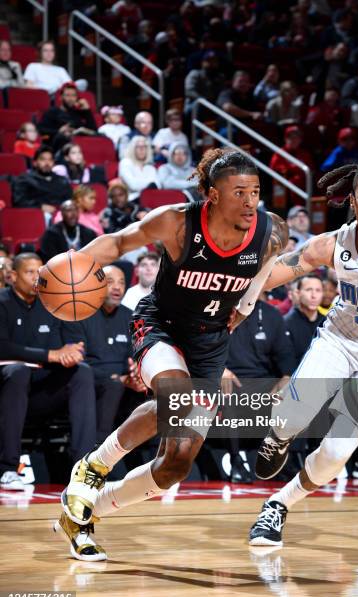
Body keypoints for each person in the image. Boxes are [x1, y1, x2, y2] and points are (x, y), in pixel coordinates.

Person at [53, 148, 288, 561]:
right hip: (160, 325)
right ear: (213, 195)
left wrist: (246, 305)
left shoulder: (271, 231)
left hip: (210, 344)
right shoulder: (177, 221)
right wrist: (72, 264)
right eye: (239, 192)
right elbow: (119, 241)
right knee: (176, 399)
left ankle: (85, 515)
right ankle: (93, 465)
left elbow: (269, 267)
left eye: (255, 191)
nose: (250, 201)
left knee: (175, 465)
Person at [249, 162, 358, 546]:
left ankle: (278, 504)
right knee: (292, 415)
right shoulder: (333, 243)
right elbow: (274, 275)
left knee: (337, 452)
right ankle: (278, 436)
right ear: (352, 201)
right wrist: (239, 291)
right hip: (340, 341)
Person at [0, 253, 96, 490]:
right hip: (7, 391)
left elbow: (71, 344)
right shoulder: (2, 302)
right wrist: (49, 355)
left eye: (40, 272)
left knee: (82, 373)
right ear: (12, 276)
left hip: (39, 394)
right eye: (29, 272)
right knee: (18, 371)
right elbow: (3, 347)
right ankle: (8, 469)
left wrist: (73, 354)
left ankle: (83, 469)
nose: (36, 278)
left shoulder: (53, 303)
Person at [63, 265, 146, 443]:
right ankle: (98, 451)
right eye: (110, 282)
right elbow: (78, 363)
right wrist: (119, 378)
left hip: (126, 383)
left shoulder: (132, 317)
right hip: (89, 383)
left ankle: (158, 457)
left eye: (122, 283)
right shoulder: (78, 314)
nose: (117, 287)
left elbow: (136, 355)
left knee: (160, 385)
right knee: (113, 385)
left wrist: (137, 376)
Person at [222, 292, 296, 483]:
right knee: (228, 395)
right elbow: (202, 348)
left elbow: (285, 354)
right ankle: (236, 462)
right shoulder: (218, 309)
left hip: (263, 381)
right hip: (228, 377)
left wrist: (286, 378)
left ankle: (278, 461)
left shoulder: (271, 314)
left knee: (291, 394)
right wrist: (219, 370)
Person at [12, 146, 72, 216]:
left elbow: (69, 200)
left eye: (50, 160)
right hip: (37, 214)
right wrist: (40, 206)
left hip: (61, 214)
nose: (47, 163)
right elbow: (19, 201)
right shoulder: (24, 179)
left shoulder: (62, 180)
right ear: (35, 163)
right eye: (43, 159)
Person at [38, 82, 96, 151]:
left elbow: (93, 131)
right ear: (61, 97)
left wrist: (87, 111)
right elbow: (41, 129)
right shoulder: (52, 112)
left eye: (73, 96)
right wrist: (59, 131)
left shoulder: (78, 113)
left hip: (79, 146)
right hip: (58, 147)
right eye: (67, 95)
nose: (71, 99)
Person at [284, 275, 325, 366]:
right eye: (308, 290)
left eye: (318, 290)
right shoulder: (286, 323)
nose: (314, 295)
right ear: (298, 293)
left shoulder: (327, 322)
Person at [270, 126, 314, 207]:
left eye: (297, 138)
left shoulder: (304, 154)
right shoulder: (279, 154)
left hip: (304, 187)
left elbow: (310, 170)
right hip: (286, 189)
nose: (295, 140)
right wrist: (293, 170)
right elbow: (276, 170)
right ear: (286, 139)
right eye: (291, 137)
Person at [119, 135, 159, 201]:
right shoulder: (125, 162)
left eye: (144, 147)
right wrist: (150, 183)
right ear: (132, 149)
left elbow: (157, 185)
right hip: (131, 200)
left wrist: (142, 183)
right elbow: (133, 185)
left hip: (149, 199)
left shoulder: (150, 167)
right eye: (138, 147)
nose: (141, 149)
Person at [184, 51, 225, 115]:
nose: (211, 63)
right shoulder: (195, 74)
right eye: (208, 61)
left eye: (214, 61)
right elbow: (189, 91)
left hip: (213, 105)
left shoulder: (220, 77)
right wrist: (205, 101)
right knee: (199, 105)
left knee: (225, 106)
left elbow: (222, 93)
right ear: (202, 62)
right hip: (194, 105)